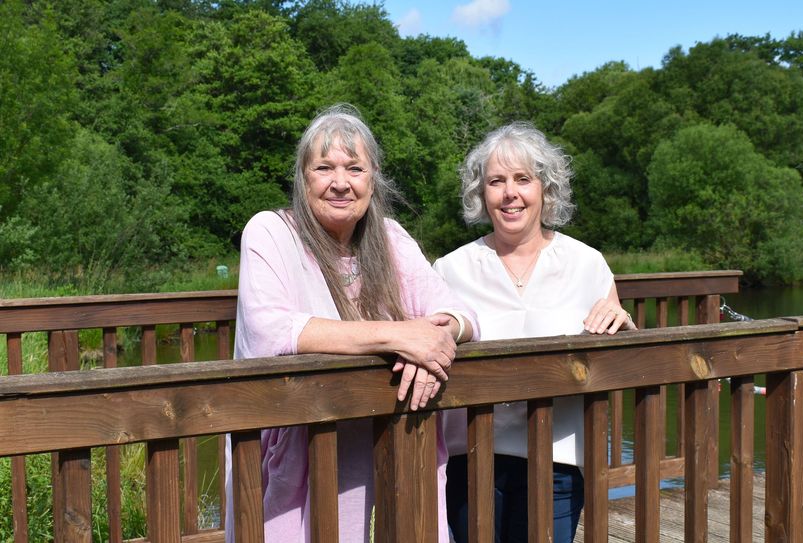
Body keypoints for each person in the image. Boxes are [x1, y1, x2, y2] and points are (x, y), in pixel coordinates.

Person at [225, 104, 478, 542]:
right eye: (324, 167)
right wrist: (401, 336)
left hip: (392, 441)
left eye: (354, 168)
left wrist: (439, 337)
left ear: (372, 178)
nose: (340, 183)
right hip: (300, 448)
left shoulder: (392, 238)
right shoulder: (269, 231)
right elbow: (274, 330)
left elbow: (462, 316)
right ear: (303, 178)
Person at [433, 121, 636, 543]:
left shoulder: (587, 264)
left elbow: (621, 352)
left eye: (523, 179)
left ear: (546, 188)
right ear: (481, 193)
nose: (510, 193)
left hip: (558, 464)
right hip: (469, 461)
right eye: (496, 181)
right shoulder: (451, 269)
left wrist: (623, 327)